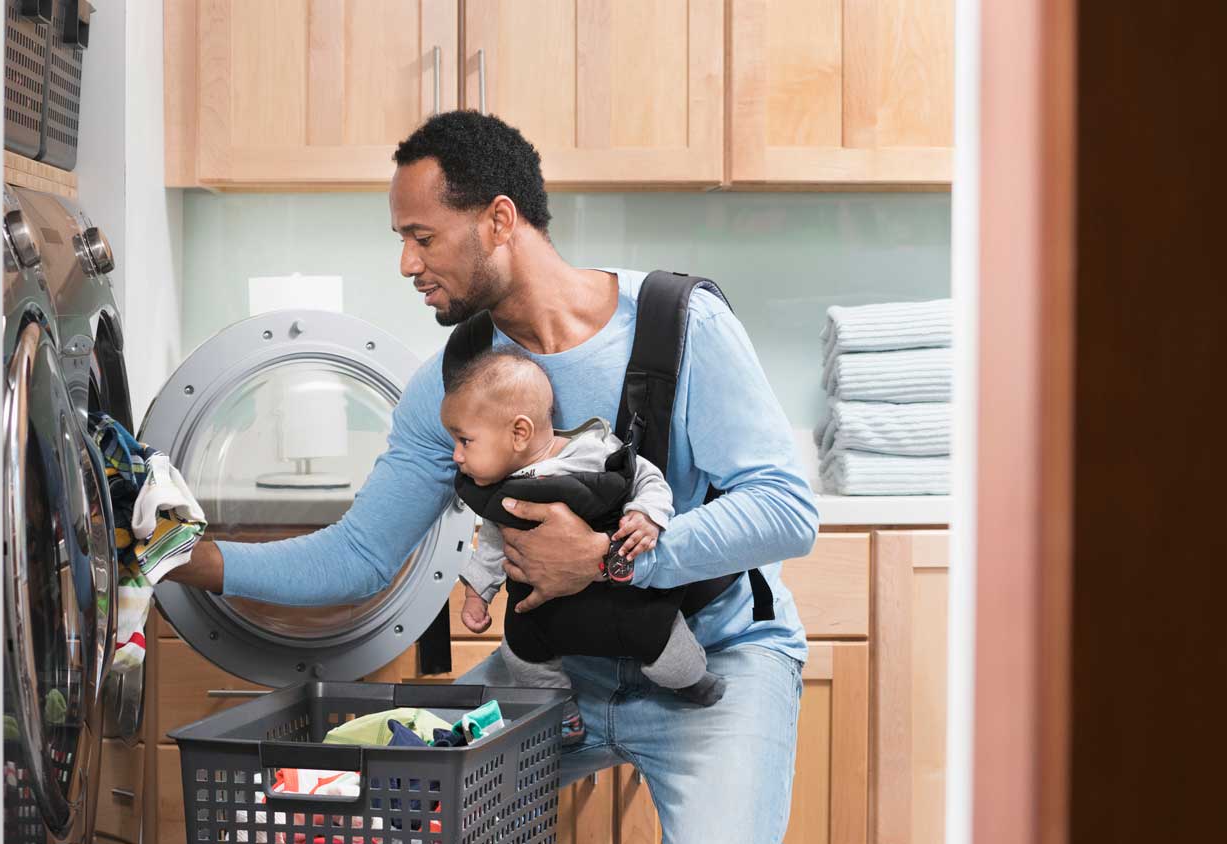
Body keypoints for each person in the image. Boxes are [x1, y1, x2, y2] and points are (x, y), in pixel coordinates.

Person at [165, 110, 819, 843]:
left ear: (499, 221)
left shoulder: (680, 324)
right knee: (380, 810)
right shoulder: (454, 388)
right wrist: (175, 559)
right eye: (402, 242)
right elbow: (358, 557)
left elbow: (786, 511)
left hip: (717, 663)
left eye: (422, 237)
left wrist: (608, 559)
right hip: (559, 672)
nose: (407, 265)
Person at [442, 346, 727, 748]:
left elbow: (646, 476)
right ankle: (561, 712)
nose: (456, 455)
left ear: (519, 433)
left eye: (464, 440)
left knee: (665, 652)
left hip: (625, 603)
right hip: (540, 613)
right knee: (520, 657)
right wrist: (477, 593)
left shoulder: (593, 453)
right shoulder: (500, 491)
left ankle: (693, 680)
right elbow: (492, 543)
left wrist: (646, 516)